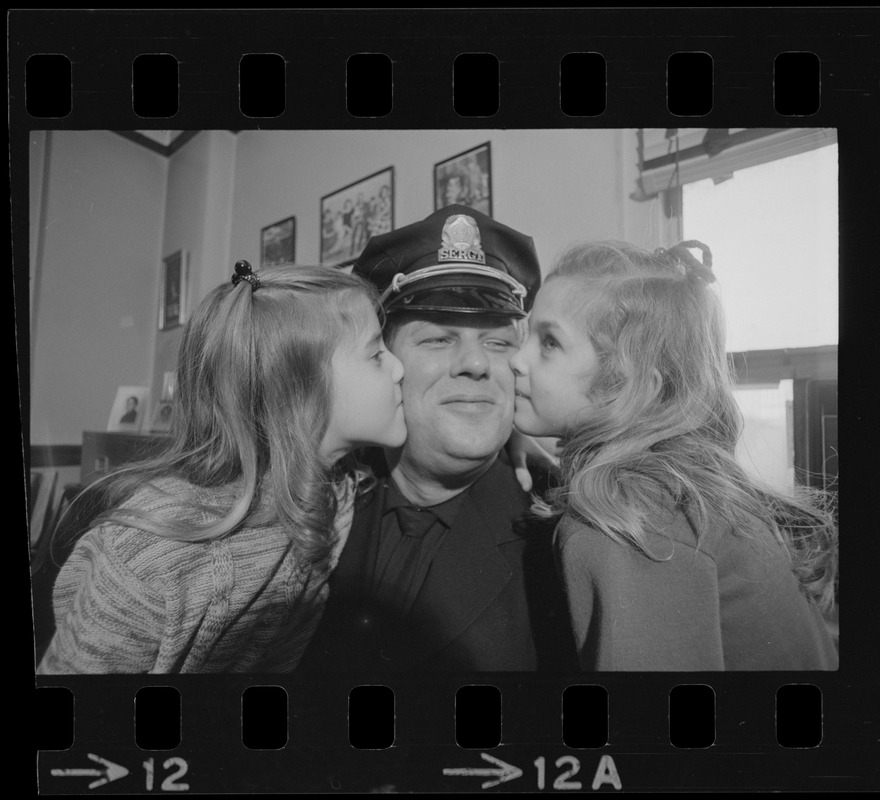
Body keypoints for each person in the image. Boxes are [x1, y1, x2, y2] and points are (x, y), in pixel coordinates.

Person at [38, 261, 406, 674]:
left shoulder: (337, 491)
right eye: (376, 353)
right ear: (300, 392)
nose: (400, 369)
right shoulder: (150, 556)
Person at [509, 240, 839, 671]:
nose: (517, 359)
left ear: (628, 386)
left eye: (549, 342)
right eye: (525, 335)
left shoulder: (624, 517)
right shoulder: (673, 484)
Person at [297, 205, 577, 673]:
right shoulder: (311, 494)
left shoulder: (563, 534)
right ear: (385, 362)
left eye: (498, 343)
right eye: (438, 340)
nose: (476, 364)